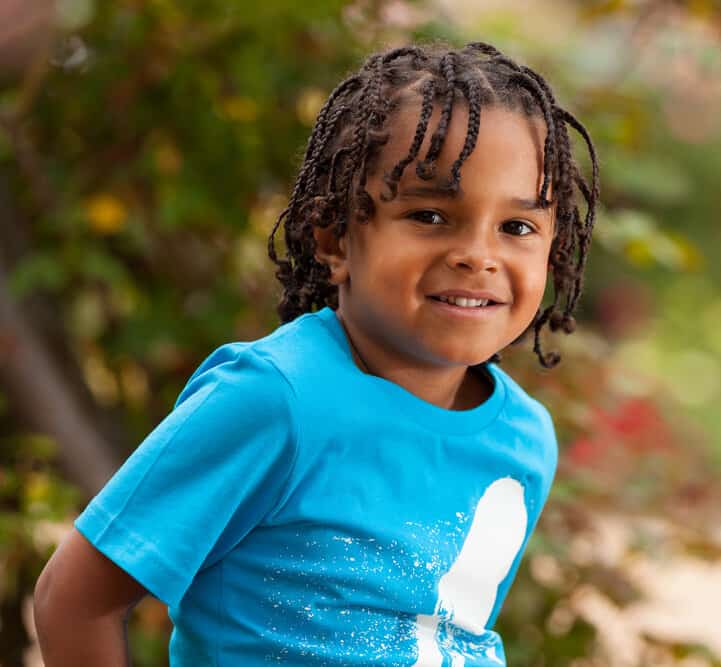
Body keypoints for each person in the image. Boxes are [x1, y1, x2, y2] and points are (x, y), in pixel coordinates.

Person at [32, 40, 599, 666]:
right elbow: (74, 598)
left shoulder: (523, 439)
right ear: (335, 239)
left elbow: (444, 635)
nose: (478, 255)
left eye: (517, 228)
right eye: (431, 215)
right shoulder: (274, 400)